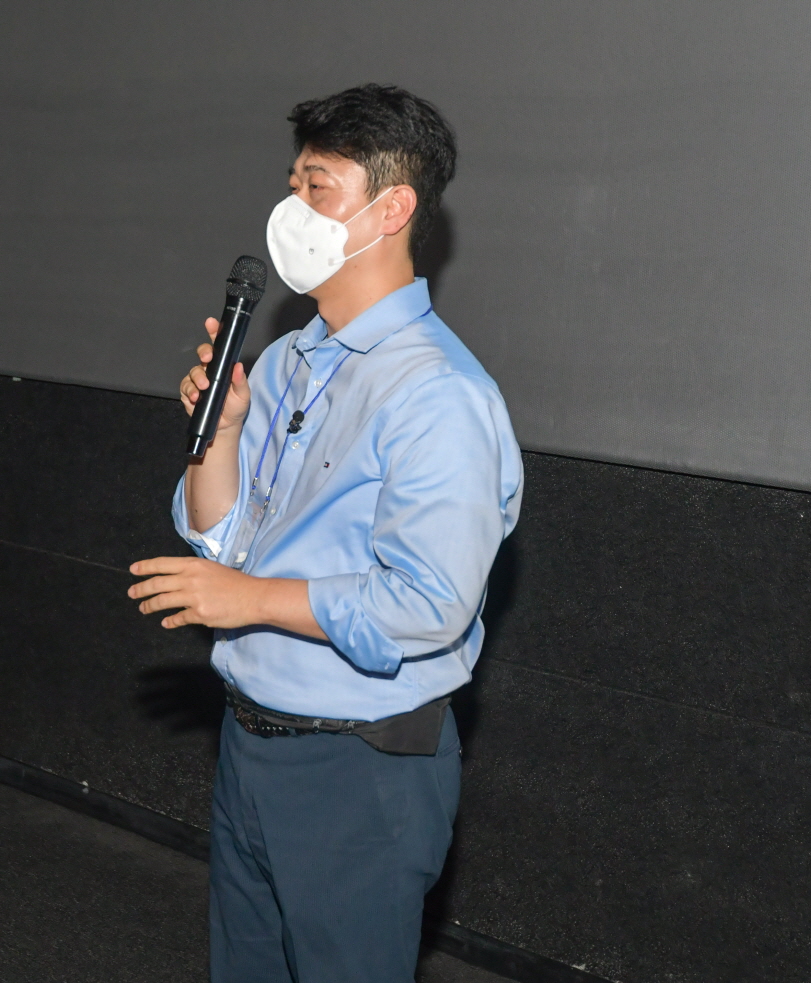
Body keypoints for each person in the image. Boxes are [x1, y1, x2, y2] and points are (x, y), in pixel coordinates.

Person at [128, 84, 524, 982]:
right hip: (249, 745)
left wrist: (250, 600)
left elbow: (426, 602)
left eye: (319, 188)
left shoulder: (439, 395)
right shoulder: (285, 359)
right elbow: (225, 544)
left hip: (360, 767)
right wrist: (221, 433)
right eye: (292, 184)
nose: (292, 210)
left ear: (392, 209)